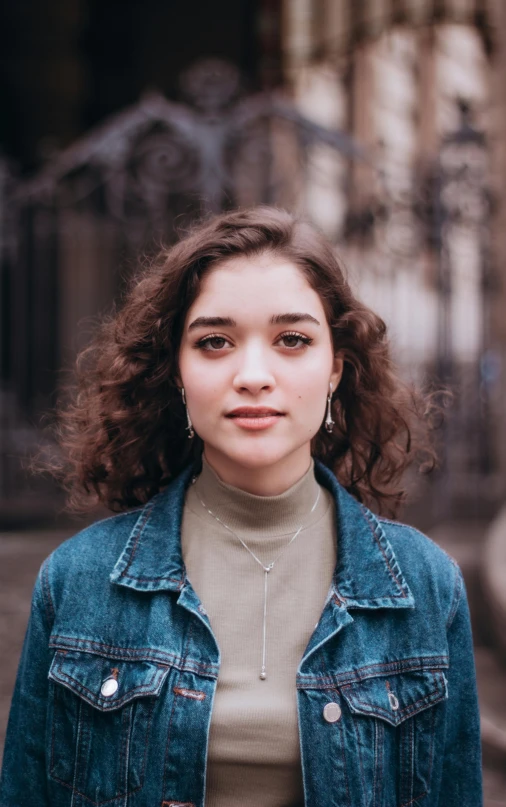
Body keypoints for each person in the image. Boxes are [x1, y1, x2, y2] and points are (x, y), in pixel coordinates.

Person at [0, 206, 482, 807]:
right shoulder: (77, 583)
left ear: (334, 369)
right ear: (178, 370)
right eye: (215, 342)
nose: (253, 375)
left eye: (292, 340)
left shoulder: (427, 587)